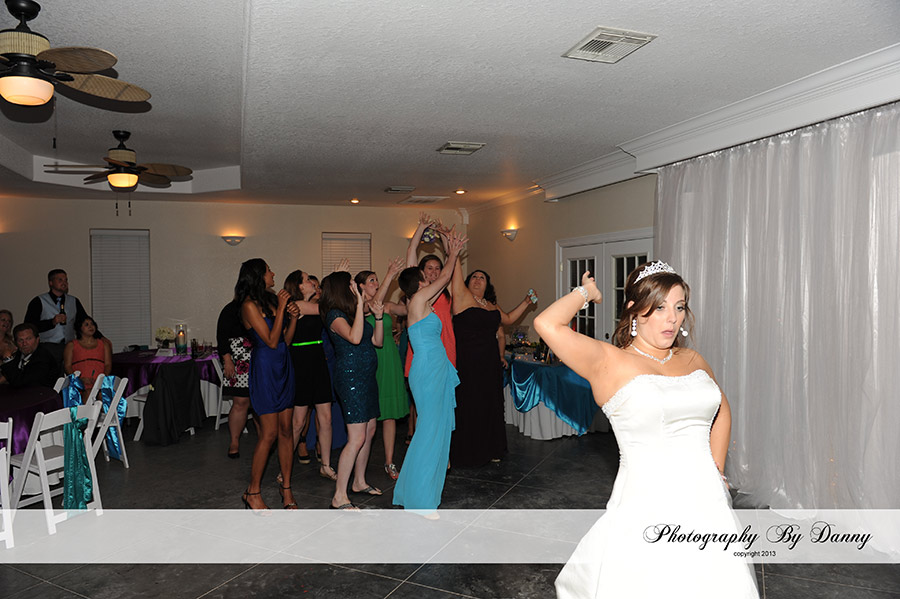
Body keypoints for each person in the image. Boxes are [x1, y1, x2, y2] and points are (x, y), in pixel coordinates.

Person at [533, 261, 758, 598]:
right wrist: (587, 293)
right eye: (660, 307)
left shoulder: (693, 360)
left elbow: (721, 409)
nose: (672, 318)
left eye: (679, 307)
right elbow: (546, 323)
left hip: (706, 500)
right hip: (647, 502)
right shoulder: (609, 360)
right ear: (634, 310)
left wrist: (717, 468)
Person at [392, 229, 466, 512]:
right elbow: (444, 277)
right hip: (427, 370)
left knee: (430, 430)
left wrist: (448, 248)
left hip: (434, 368)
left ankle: (414, 491)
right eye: (425, 277)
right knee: (428, 432)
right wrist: (453, 252)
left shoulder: (421, 302)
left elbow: (441, 281)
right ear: (419, 283)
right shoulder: (419, 300)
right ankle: (421, 500)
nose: (429, 279)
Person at [320, 269, 384, 510]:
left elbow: (377, 341)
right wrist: (359, 304)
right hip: (351, 379)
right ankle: (339, 496)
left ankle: (359, 481)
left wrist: (378, 318)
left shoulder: (351, 312)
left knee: (370, 429)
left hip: (367, 377)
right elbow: (355, 338)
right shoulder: (335, 315)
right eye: (349, 284)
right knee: (356, 437)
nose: (353, 286)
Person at [237, 259, 298, 511]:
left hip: (283, 366)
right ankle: (252, 492)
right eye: (268, 270)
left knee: (287, 430)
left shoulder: (271, 301)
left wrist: (293, 318)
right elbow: (271, 342)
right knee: (269, 433)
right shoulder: (248, 306)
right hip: (264, 370)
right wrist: (282, 308)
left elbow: (285, 341)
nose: (273, 273)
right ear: (258, 276)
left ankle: (287, 489)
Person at [447, 267, 512, 467]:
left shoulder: (491, 305)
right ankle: (468, 452)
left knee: (490, 405)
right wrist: (454, 253)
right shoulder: (462, 299)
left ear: (487, 284)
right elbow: (454, 273)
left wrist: (527, 303)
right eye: (474, 277)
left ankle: (492, 449)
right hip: (468, 362)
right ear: (467, 283)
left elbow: (509, 319)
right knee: (469, 404)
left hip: (489, 363)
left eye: (482, 277)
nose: (477, 280)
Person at [354, 257, 409, 480]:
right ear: (361, 287)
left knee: (390, 415)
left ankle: (389, 461)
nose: (376, 283)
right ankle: (358, 462)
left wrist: (419, 291)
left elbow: (407, 310)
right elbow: (372, 305)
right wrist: (389, 275)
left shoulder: (387, 306)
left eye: (377, 280)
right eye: (372, 280)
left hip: (390, 359)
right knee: (368, 417)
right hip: (371, 361)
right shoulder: (360, 307)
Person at [284, 269, 338, 481]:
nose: (312, 283)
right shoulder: (297, 305)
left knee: (326, 417)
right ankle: (285, 468)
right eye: (307, 280)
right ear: (298, 286)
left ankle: (326, 464)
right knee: (298, 422)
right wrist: (335, 281)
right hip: (301, 364)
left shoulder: (313, 304)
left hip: (318, 361)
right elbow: (326, 308)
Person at [24, 269, 88, 373]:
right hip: (48, 347)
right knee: (50, 375)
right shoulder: (39, 301)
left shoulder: (73, 301)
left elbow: (84, 322)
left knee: (70, 375)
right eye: (60, 280)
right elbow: (29, 327)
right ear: (51, 283)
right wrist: (51, 322)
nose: (64, 283)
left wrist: (100, 337)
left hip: (69, 346)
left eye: (66, 280)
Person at [216, 296, 253, 459]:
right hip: (239, 358)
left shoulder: (265, 304)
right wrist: (227, 360)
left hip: (261, 356)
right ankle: (234, 442)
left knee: (260, 402)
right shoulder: (231, 309)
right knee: (240, 402)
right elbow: (222, 337)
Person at [63, 314, 112, 399]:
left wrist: (101, 379)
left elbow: (108, 364)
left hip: (100, 382)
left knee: (103, 395)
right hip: (80, 384)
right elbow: (67, 366)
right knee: (88, 393)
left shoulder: (104, 344)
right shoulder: (71, 345)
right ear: (79, 328)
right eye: (86, 325)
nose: (90, 326)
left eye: (92, 324)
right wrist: (79, 380)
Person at [0, 323, 58, 388]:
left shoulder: (43, 358)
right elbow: (9, 375)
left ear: (37, 340)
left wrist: (8, 359)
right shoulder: (20, 353)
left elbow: (20, 383)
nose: (24, 343)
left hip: (40, 392)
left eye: (28, 339)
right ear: (16, 343)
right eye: (20, 340)